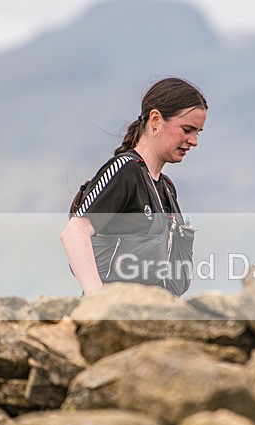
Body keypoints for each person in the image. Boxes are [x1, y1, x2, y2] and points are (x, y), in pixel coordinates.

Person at [61, 77, 207, 296]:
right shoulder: (125, 171)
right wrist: (98, 300)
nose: (194, 141)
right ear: (155, 119)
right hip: (116, 320)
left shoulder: (166, 188)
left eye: (198, 132)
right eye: (187, 130)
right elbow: (74, 232)